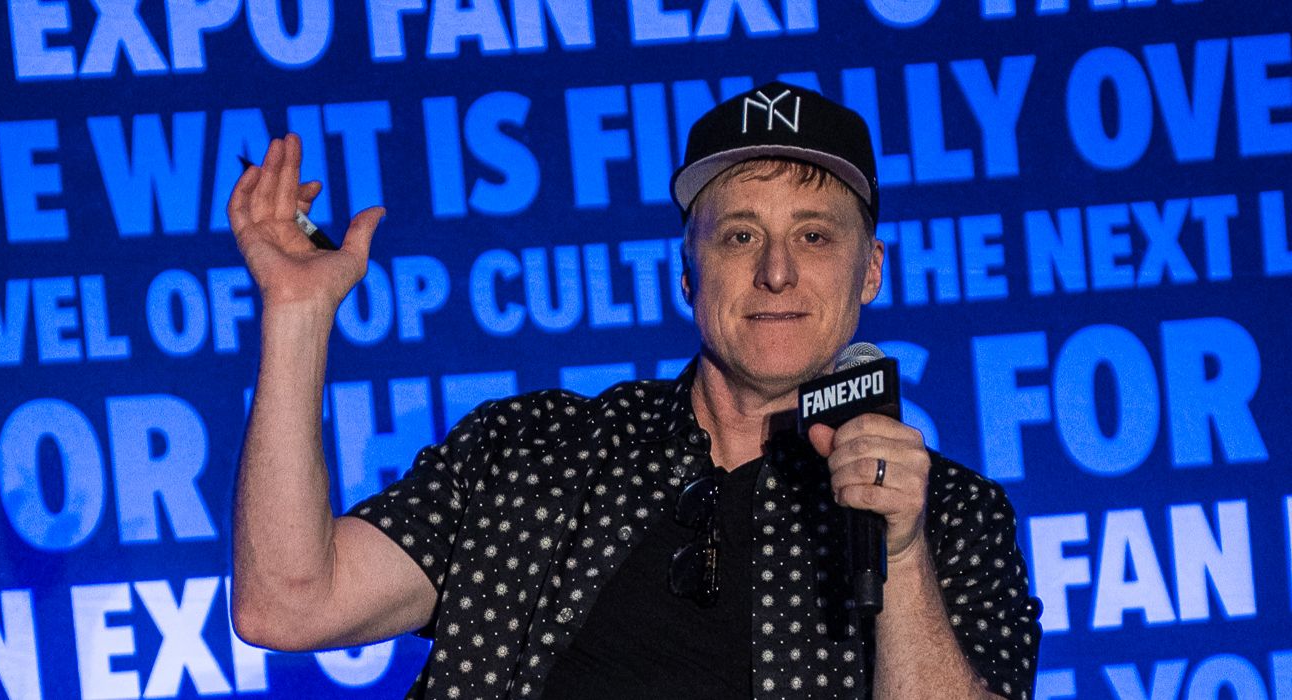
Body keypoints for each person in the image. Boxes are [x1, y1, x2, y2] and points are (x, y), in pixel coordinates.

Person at [228, 81, 1041, 699]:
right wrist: (296, 315)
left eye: (815, 235)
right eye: (741, 235)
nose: (777, 271)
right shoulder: (533, 452)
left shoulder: (949, 517)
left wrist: (898, 552)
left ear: (870, 271)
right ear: (687, 273)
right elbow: (286, 604)